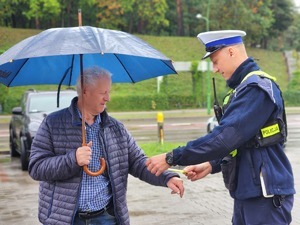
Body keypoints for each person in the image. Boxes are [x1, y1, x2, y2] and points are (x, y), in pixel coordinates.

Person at [146, 30, 295, 224]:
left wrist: (172, 157)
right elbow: (242, 142)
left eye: (215, 61)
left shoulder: (256, 89)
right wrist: (211, 165)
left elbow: (224, 138)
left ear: (231, 52)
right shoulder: (242, 89)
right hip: (249, 192)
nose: (215, 69)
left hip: (265, 196)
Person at [29, 66, 184, 225]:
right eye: (103, 93)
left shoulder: (116, 128)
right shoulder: (53, 123)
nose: (108, 98)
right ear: (85, 91)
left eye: (109, 92)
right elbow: (36, 167)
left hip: (106, 218)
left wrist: (166, 177)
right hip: (65, 219)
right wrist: (73, 159)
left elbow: (138, 162)